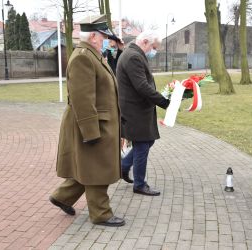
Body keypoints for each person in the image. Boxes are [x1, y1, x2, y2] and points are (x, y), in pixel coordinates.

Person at [49, 15, 125, 227]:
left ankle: (62, 196)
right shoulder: (83, 57)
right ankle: (101, 213)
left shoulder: (92, 55)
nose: (105, 41)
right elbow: (83, 100)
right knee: (97, 167)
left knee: (88, 165)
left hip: (99, 122)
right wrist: (91, 132)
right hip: (91, 124)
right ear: (93, 36)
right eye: (103, 37)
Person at [116, 30, 170, 196]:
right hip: (135, 110)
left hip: (137, 109)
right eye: (153, 47)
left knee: (148, 141)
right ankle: (139, 184)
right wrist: (164, 102)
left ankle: (124, 166)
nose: (153, 51)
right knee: (142, 144)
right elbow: (142, 86)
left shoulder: (132, 53)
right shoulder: (133, 56)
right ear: (145, 42)